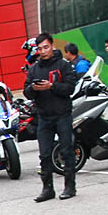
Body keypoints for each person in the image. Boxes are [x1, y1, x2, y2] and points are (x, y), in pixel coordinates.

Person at [24, 33, 78, 202]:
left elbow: (70, 88)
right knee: (45, 154)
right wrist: (34, 89)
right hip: (44, 117)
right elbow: (26, 92)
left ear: (53, 46)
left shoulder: (63, 65)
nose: (43, 51)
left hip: (62, 114)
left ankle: (70, 186)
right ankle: (47, 189)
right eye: (39, 48)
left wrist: (51, 86)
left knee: (66, 150)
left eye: (46, 47)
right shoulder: (34, 68)